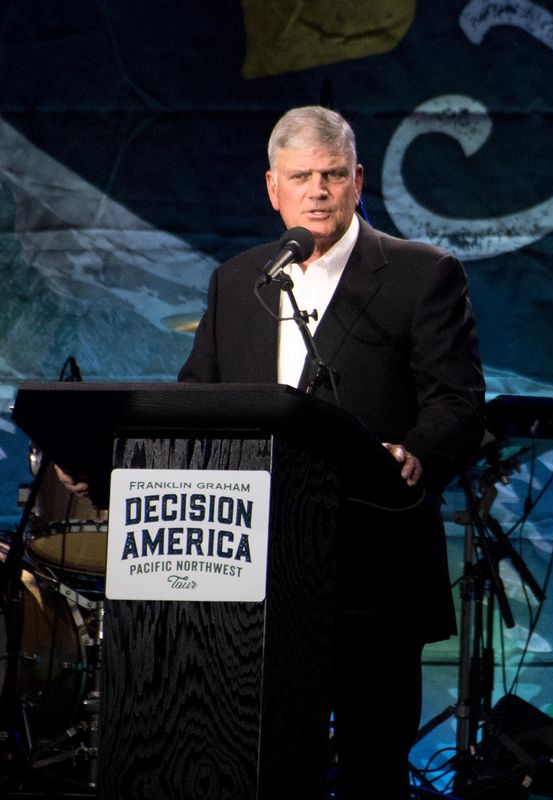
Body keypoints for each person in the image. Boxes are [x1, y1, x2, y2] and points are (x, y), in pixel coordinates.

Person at [62, 105, 486, 796]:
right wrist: (108, 469)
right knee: (255, 764)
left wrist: (414, 454)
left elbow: (458, 403)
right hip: (247, 575)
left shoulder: (420, 274)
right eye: (301, 177)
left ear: (358, 181)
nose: (317, 191)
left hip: (371, 569)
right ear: (272, 188)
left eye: (332, 175)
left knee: (371, 770)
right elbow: (197, 401)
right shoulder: (238, 282)